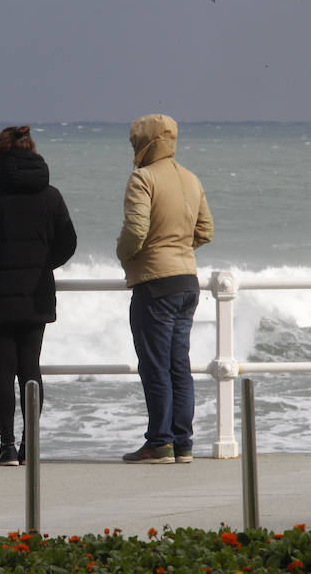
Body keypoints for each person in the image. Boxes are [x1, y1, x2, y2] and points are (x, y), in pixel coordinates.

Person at [0, 126, 77, 466]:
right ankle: (31, 444)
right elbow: (68, 243)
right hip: (37, 293)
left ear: (0, 155)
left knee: (4, 370)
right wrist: (43, 265)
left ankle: (7, 446)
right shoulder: (51, 196)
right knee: (30, 368)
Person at [116, 114, 213, 464]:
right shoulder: (190, 178)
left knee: (155, 365)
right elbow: (205, 231)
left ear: (144, 142)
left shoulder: (143, 179)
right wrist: (178, 250)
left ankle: (159, 442)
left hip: (155, 284)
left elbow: (136, 231)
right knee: (178, 365)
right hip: (188, 282)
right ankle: (183, 443)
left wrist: (124, 255)